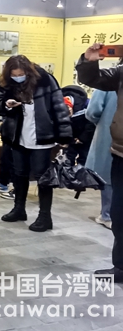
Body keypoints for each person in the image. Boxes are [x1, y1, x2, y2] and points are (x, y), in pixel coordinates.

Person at [0, 55, 72, 232]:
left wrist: (64, 135)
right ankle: (19, 209)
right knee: (19, 174)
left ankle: (45, 216)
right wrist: (6, 104)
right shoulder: (7, 83)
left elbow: (59, 107)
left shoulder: (45, 80)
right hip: (17, 136)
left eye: (21, 74)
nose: (18, 77)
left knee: (43, 177)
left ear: (28, 71)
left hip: (42, 136)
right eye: (14, 75)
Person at [76, 46, 123, 282]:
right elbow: (93, 79)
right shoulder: (121, 73)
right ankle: (121, 267)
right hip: (121, 153)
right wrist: (88, 62)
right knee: (119, 213)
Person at [86, 88, 118, 230]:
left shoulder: (108, 81)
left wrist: (103, 121)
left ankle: (107, 215)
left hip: (110, 131)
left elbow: (93, 111)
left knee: (108, 174)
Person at [62, 85, 96, 165]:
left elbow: (91, 124)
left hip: (86, 136)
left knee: (84, 157)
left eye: (69, 115)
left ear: (70, 108)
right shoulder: (57, 102)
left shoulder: (87, 106)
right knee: (68, 157)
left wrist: (82, 138)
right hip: (71, 136)